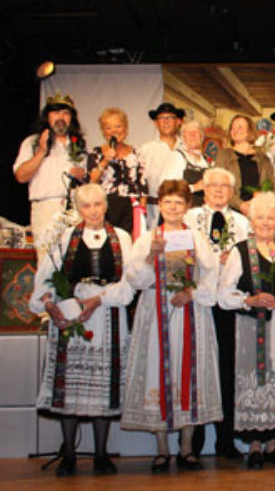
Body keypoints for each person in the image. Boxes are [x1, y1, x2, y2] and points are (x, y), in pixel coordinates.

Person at [30, 183, 134, 477]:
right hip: (72, 316)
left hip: (107, 315)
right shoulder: (64, 238)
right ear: (78, 209)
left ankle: (101, 454)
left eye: (98, 205)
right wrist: (51, 306)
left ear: (105, 206)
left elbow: (129, 283)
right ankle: (69, 454)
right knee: (71, 387)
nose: (93, 211)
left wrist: (98, 299)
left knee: (104, 386)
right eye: (86, 206)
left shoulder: (122, 238)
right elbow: (46, 280)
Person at [122, 180, 222, 473]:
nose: (174, 208)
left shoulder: (196, 237)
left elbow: (212, 272)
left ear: (187, 206)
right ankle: (162, 449)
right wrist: (153, 255)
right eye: (168, 203)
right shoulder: (148, 238)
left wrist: (192, 292)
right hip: (156, 312)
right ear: (160, 206)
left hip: (190, 311)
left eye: (179, 203)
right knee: (158, 371)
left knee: (189, 372)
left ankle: (187, 448)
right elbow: (135, 279)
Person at [218, 192, 275, 469]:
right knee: (255, 379)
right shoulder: (239, 250)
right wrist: (249, 300)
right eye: (260, 217)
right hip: (250, 328)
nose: (266, 222)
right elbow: (223, 293)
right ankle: (255, 445)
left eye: (271, 217)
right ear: (251, 219)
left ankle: (273, 444)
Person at [183, 167, 251, 458]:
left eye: (225, 186)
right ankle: (192, 443)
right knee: (198, 369)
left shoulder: (242, 222)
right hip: (198, 300)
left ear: (232, 191)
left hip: (228, 304)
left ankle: (226, 440)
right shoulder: (189, 218)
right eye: (213, 186)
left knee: (228, 369)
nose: (219, 190)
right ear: (204, 189)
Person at [13, 93, 87, 262]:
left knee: (75, 261)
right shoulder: (32, 142)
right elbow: (21, 176)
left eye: (66, 113)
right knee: (48, 263)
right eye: (56, 113)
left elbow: (86, 180)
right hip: (46, 208)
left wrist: (82, 176)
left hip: (75, 209)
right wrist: (41, 151)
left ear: (71, 118)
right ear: (47, 117)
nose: (61, 118)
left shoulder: (79, 144)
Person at [87, 108, 148, 237]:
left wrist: (142, 213)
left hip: (130, 207)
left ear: (125, 129)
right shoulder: (96, 153)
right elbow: (92, 181)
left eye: (118, 126)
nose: (114, 131)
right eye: (108, 127)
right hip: (105, 206)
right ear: (104, 131)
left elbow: (142, 186)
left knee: (128, 246)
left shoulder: (136, 153)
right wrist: (105, 160)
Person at [214, 114, 275, 216]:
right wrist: (240, 205)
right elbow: (217, 186)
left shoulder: (263, 158)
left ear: (250, 130)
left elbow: (272, 187)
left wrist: (261, 203)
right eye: (232, 128)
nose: (235, 130)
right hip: (230, 212)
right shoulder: (223, 155)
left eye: (240, 127)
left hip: (258, 213)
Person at [141, 102, 185, 227]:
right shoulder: (146, 149)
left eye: (170, 117)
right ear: (156, 123)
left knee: (180, 244)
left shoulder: (187, 148)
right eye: (161, 118)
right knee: (154, 244)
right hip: (153, 209)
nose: (166, 121)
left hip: (181, 209)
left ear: (178, 121)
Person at [173, 120, 212, 207]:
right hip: (183, 209)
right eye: (188, 133)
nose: (192, 135)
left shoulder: (206, 161)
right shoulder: (177, 156)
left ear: (201, 136)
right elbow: (171, 188)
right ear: (183, 138)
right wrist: (194, 187)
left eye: (195, 132)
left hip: (202, 210)